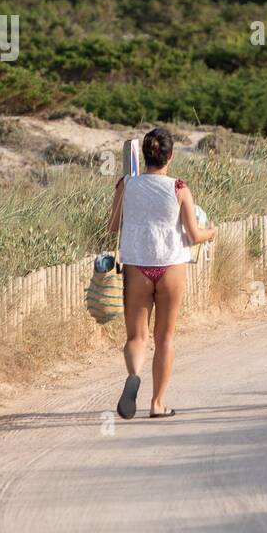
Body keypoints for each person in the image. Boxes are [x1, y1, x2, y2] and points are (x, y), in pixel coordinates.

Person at [106, 128, 217, 420]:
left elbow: (113, 226)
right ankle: (157, 403)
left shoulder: (126, 184)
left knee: (136, 338)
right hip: (170, 266)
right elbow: (193, 234)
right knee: (165, 337)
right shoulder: (179, 188)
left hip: (136, 266)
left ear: (144, 155)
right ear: (170, 155)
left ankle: (133, 374)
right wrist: (212, 232)